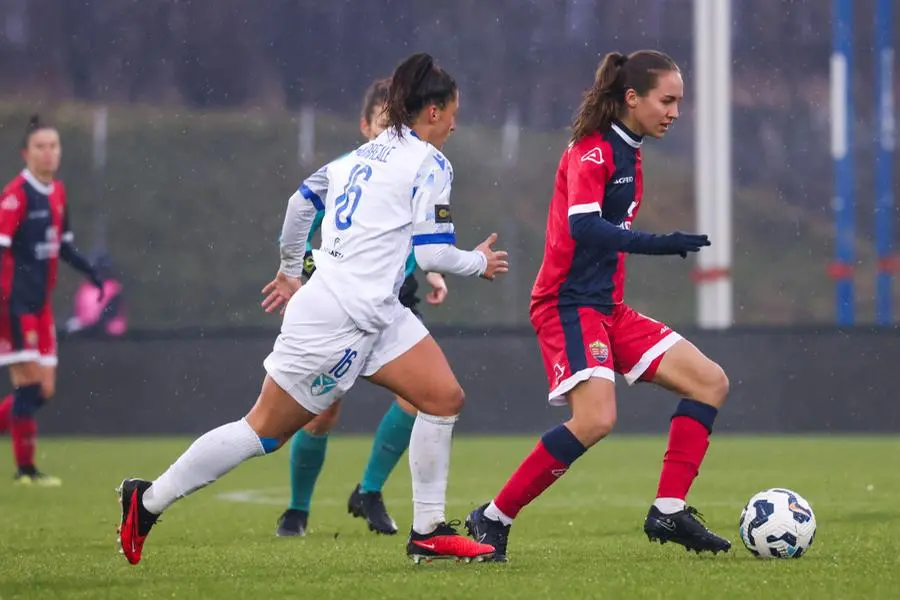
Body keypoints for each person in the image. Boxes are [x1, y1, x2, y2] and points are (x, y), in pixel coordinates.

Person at [117, 52, 508, 566]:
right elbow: (432, 252)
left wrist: (289, 269)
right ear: (432, 112)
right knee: (263, 431)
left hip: (374, 311)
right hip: (338, 318)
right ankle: (146, 501)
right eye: (453, 112)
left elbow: (301, 203)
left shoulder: (362, 155)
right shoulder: (431, 163)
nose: (456, 123)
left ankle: (428, 531)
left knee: (442, 397)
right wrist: (477, 263)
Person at [465, 50, 731, 561]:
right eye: (667, 100)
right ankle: (492, 517)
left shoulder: (631, 150)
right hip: (567, 304)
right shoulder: (592, 150)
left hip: (607, 307)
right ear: (632, 98)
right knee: (594, 420)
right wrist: (659, 242)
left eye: (680, 101)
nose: (675, 111)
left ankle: (669, 510)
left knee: (710, 381)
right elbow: (583, 225)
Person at [268, 77, 451, 538]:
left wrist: (432, 271)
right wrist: (301, 270)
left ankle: (369, 490)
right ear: (366, 125)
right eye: (385, 122)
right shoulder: (348, 175)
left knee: (421, 398)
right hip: (339, 299)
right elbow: (310, 238)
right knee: (322, 409)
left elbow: (419, 232)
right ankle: (297, 508)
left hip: (393, 298)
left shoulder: (413, 168)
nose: (395, 131)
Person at [0, 115, 104, 486]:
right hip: (14, 306)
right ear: (25, 153)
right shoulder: (16, 195)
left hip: (40, 308)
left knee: (44, 389)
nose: (48, 152)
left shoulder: (57, 192)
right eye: (40, 146)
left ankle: (25, 465)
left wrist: (90, 270)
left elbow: (62, 244)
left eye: (54, 146)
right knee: (28, 387)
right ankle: (25, 471)